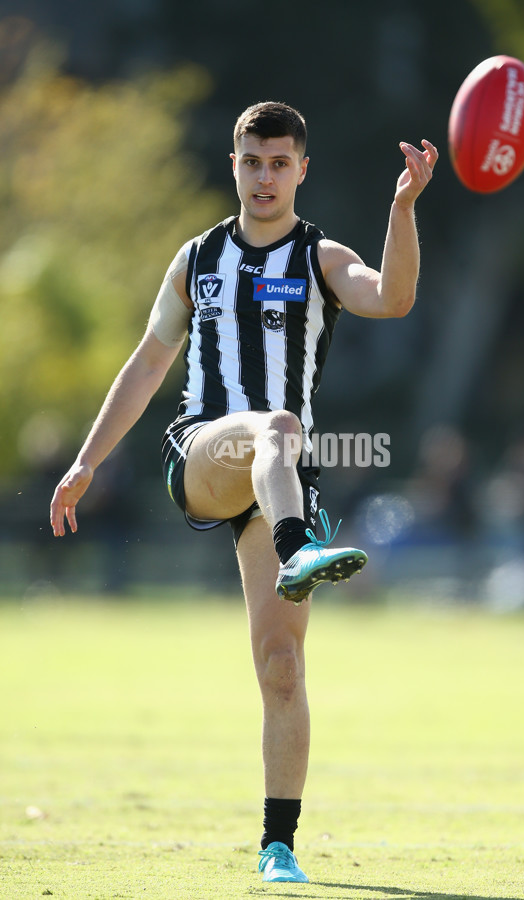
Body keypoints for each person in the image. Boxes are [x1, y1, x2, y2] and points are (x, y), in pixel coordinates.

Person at [50, 101, 437, 883]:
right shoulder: (195, 259)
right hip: (205, 455)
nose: (265, 176)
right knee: (276, 425)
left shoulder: (322, 258)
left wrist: (402, 208)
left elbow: (392, 297)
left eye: (279, 162)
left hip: (281, 479)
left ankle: (278, 846)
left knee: (281, 666)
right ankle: (302, 547)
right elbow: (148, 365)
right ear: (235, 166)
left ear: (301, 169)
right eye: (252, 162)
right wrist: (87, 460)